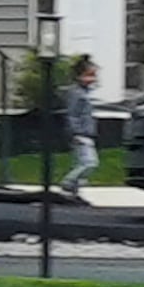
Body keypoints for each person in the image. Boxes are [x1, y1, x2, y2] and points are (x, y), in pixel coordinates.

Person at [56, 57, 101, 199]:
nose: (93, 79)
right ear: (79, 76)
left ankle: (73, 193)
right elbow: (73, 115)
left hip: (86, 133)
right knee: (90, 162)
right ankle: (68, 182)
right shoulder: (77, 94)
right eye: (89, 75)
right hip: (81, 134)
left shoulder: (84, 93)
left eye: (94, 75)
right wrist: (76, 133)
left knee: (80, 162)